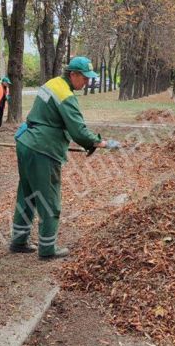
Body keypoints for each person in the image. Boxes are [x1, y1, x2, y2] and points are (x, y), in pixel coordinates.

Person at [9, 56, 112, 260]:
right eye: (84, 77)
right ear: (73, 74)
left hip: (26, 142)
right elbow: (78, 130)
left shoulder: (51, 84)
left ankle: (19, 241)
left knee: (27, 193)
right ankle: (48, 249)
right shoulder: (66, 95)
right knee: (49, 198)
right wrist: (97, 142)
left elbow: (48, 116)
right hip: (43, 150)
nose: (87, 82)